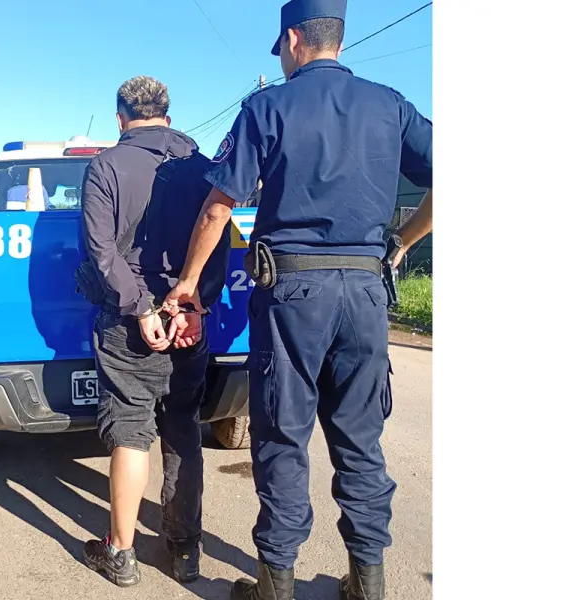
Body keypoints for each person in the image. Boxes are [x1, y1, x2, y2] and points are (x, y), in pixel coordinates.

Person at [162, 1, 433, 599]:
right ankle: (368, 584)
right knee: (361, 439)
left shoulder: (267, 106)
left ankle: (275, 587)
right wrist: (402, 241)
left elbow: (218, 206)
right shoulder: (391, 104)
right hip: (366, 293)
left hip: (293, 296)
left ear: (292, 40)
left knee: (283, 435)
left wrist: (187, 284)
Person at [79, 75, 230, 588]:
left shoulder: (105, 167)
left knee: (130, 430)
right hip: (188, 319)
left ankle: (120, 553)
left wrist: (141, 305)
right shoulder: (202, 166)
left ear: (121, 117)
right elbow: (218, 237)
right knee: (183, 428)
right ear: (167, 113)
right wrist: (197, 306)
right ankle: (185, 550)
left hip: (130, 323)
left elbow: (101, 252)